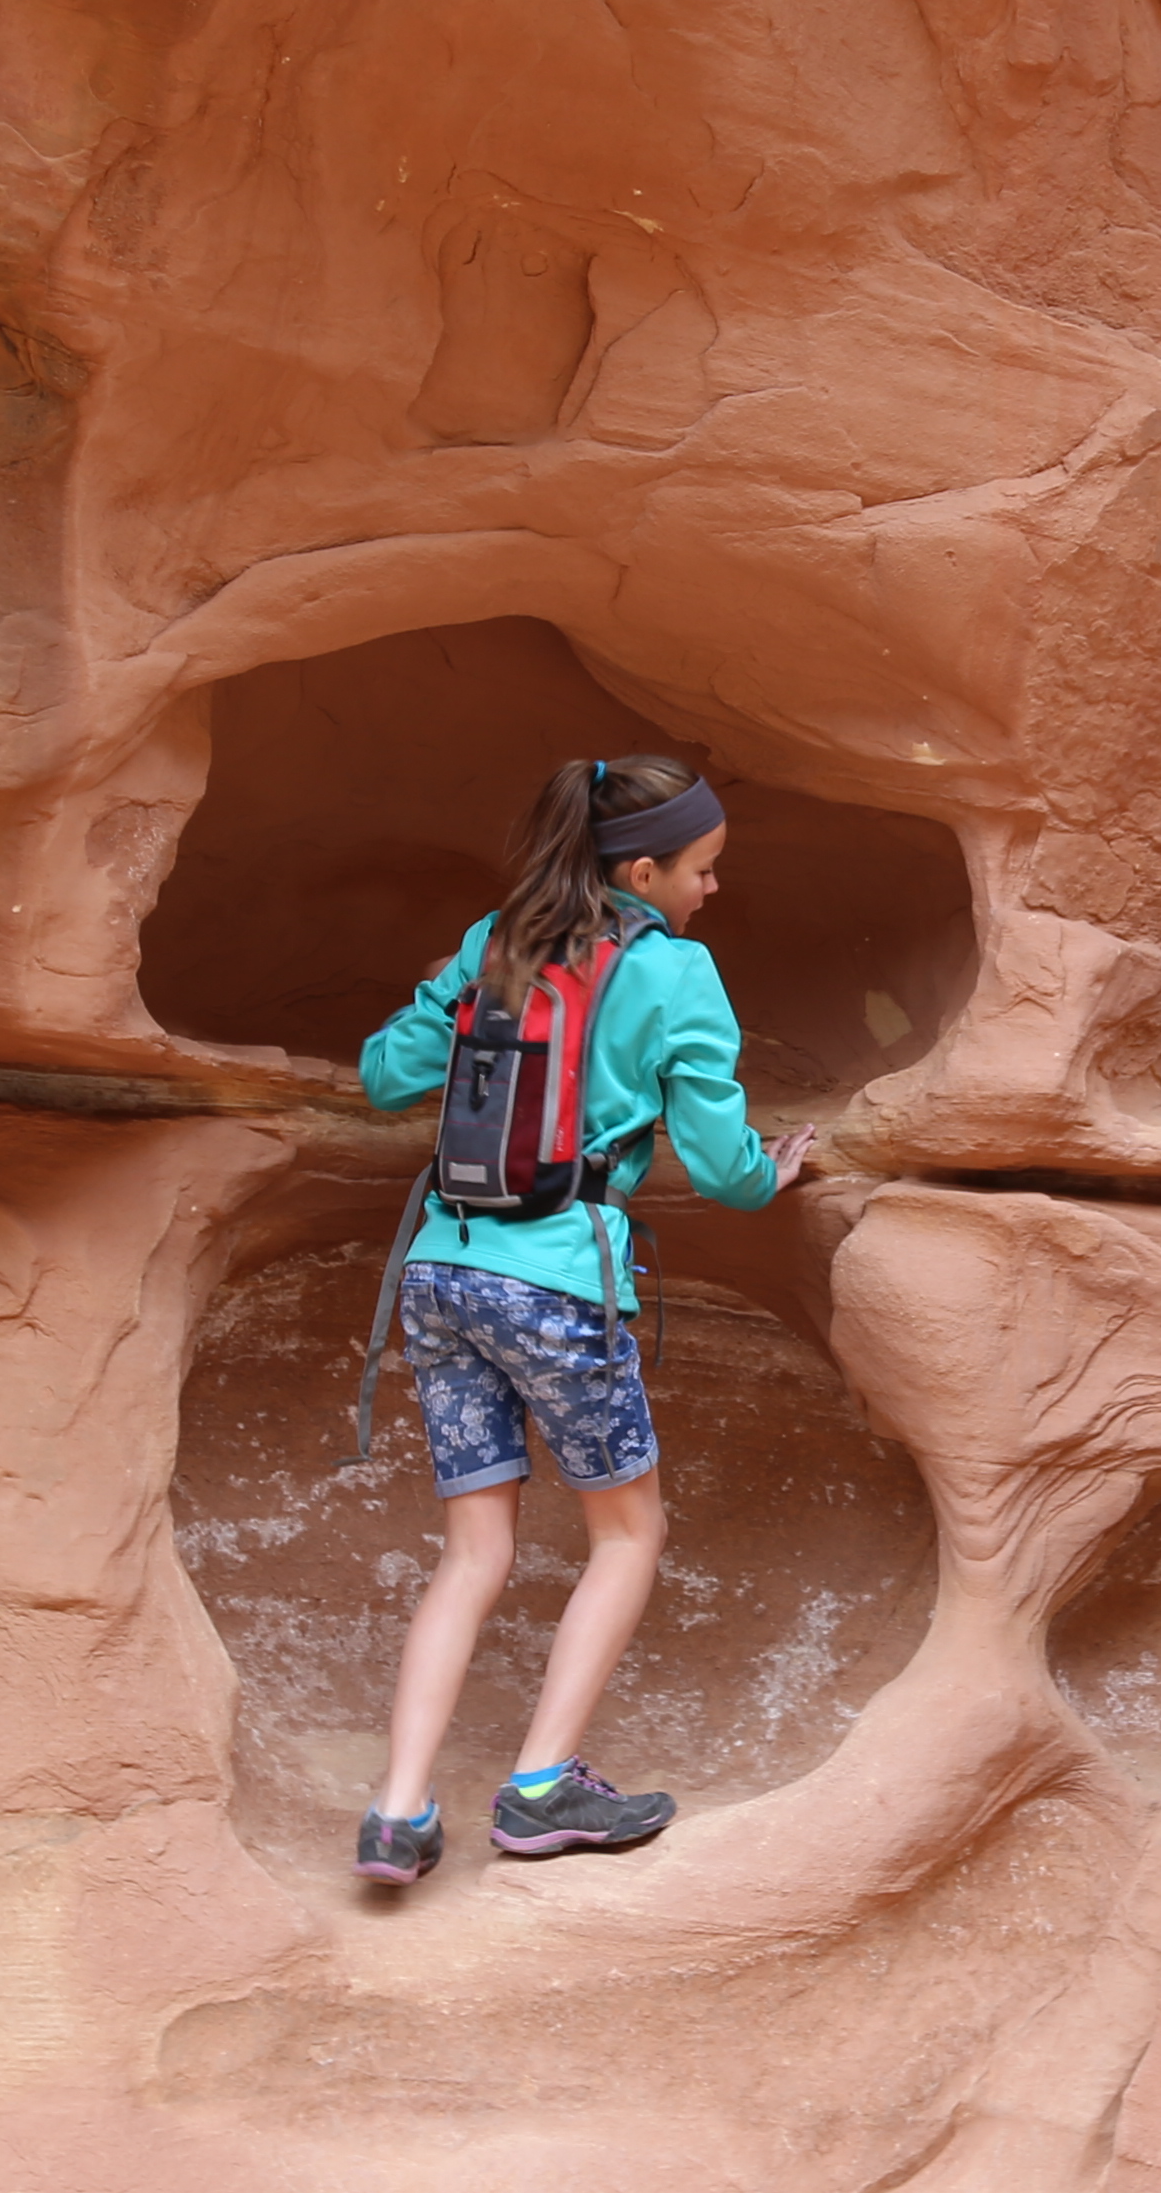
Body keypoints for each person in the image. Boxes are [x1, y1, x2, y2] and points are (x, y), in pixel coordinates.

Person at [348, 753, 817, 1886]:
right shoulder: (678, 977)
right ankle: (544, 1787)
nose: (711, 890)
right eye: (701, 870)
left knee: (475, 1549)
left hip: (441, 1278)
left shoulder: (492, 943)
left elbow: (382, 1077)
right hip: (558, 1288)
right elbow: (719, 1165)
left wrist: (445, 991)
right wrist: (776, 1174)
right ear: (644, 870)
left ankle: (399, 1814)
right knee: (628, 1533)